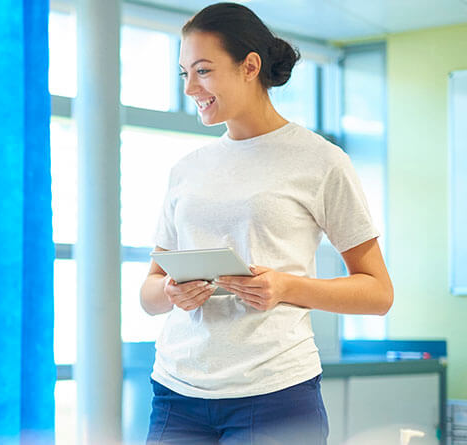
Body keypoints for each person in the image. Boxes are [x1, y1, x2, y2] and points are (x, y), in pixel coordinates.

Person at [139, 3, 393, 444]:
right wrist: (169, 291)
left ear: (250, 66)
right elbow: (150, 291)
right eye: (184, 74)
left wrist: (286, 287)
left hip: (275, 394)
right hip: (177, 392)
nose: (191, 87)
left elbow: (378, 292)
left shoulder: (320, 161)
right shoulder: (187, 169)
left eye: (203, 70)